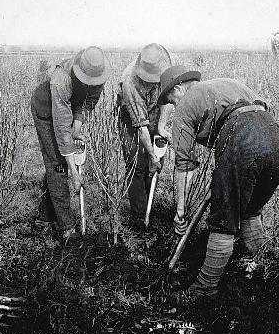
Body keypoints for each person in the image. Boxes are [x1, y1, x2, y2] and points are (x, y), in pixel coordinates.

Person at [158, 67, 279, 302]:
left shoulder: (186, 104)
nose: (175, 106)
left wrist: (180, 212)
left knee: (223, 222)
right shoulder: (226, 84)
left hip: (240, 138)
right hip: (273, 137)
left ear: (178, 89)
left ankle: (205, 288)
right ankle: (259, 269)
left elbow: (183, 165)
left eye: (171, 101)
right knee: (250, 211)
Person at [30, 46, 108, 242]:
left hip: (65, 109)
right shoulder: (61, 79)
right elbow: (62, 130)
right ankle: (66, 227)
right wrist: (74, 172)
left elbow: (85, 104)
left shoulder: (98, 75)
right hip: (46, 111)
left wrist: (77, 130)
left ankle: (45, 216)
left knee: (59, 165)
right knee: (57, 165)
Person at [117, 43, 183, 228]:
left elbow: (169, 100)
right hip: (132, 119)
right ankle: (139, 218)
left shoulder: (167, 68)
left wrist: (161, 126)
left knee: (153, 166)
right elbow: (141, 126)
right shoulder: (130, 82)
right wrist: (152, 156)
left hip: (155, 113)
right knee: (137, 165)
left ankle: (148, 206)